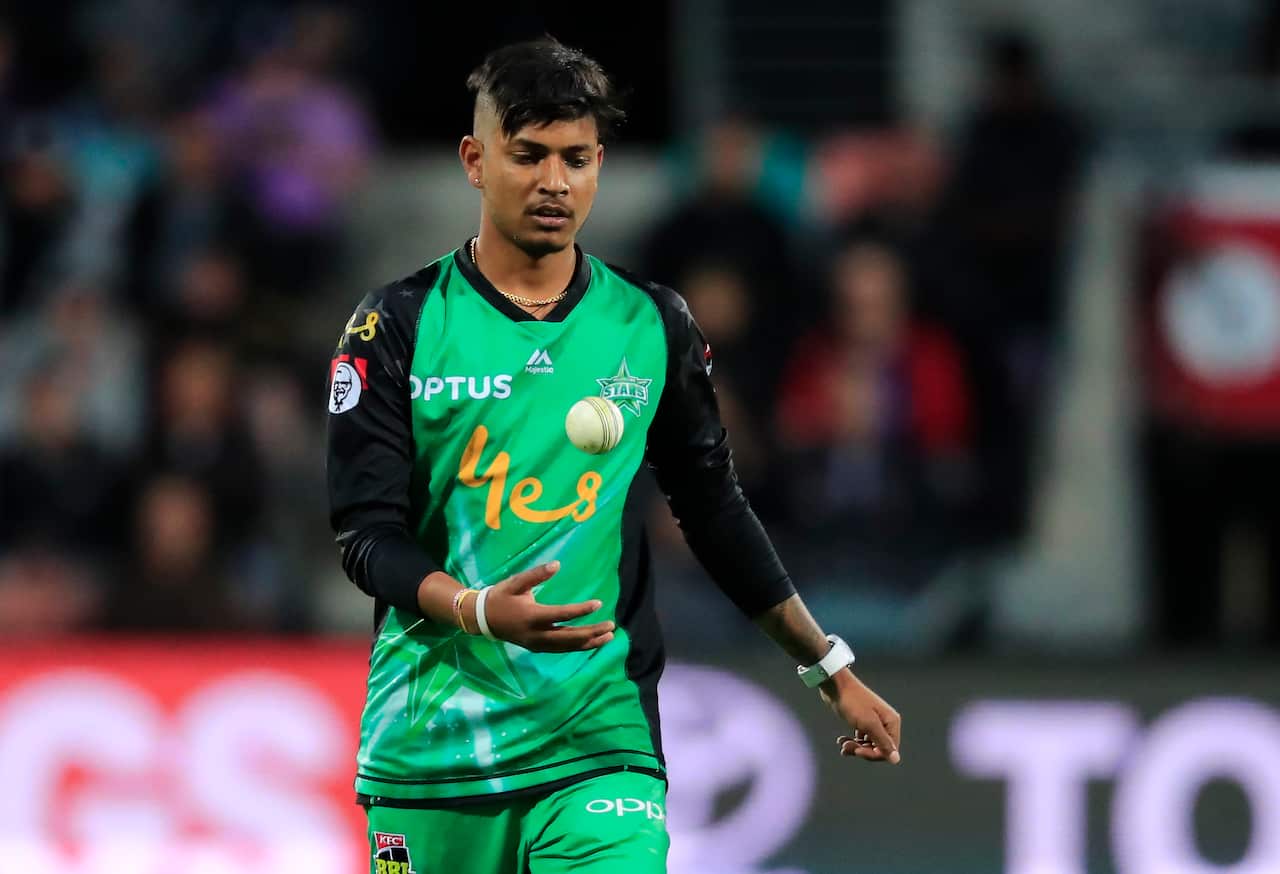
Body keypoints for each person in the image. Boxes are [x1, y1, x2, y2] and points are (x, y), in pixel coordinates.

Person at [325, 38, 901, 874]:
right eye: (529, 156)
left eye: (577, 158)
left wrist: (827, 665)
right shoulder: (397, 327)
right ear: (474, 160)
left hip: (599, 740)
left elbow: (711, 508)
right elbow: (365, 537)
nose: (556, 182)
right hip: (431, 749)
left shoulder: (650, 323)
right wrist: (482, 610)